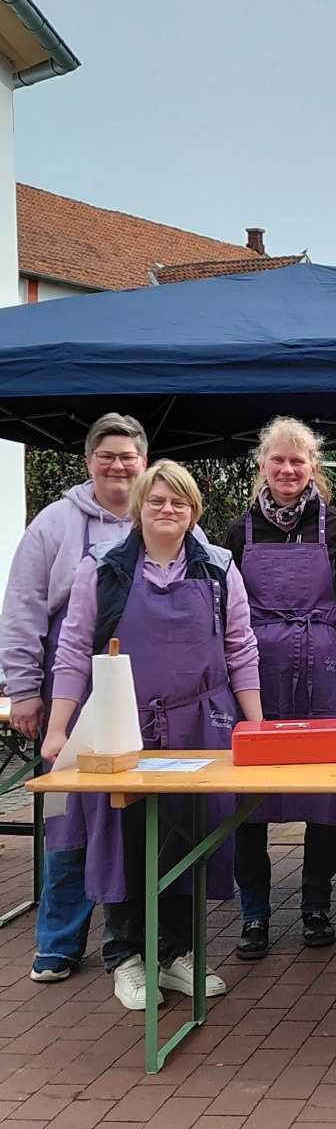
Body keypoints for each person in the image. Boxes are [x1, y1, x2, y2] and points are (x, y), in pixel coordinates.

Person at [40, 461, 262, 1011]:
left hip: (201, 724)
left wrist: (254, 724)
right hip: (123, 727)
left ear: (194, 511)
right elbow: (72, 652)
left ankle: (175, 953)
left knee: (191, 837)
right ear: (140, 506)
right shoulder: (105, 570)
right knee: (124, 836)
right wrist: (57, 728)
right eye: (158, 500)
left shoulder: (218, 570)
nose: (168, 510)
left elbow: (241, 648)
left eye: (179, 502)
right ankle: (127, 958)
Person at [0, 413, 148, 984]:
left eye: (128, 456)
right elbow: (22, 610)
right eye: (106, 455)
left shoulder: (160, 515)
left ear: (142, 459)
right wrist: (22, 690)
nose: (118, 466)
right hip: (67, 693)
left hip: (137, 697)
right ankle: (58, 943)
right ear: (89, 461)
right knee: (66, 818)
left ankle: (128, 945)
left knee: (127, 816)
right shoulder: (54, 525)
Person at [225, 418, 336, 957]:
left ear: (313, 469)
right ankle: (253, 912)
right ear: (262, 465)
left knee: (323, 792)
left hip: (322, 670)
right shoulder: (239, 531)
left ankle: (315, 904)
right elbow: (227, 618)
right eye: (278, 460)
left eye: (298, 461)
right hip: (257, 676)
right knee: (249, 795)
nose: (287, 469)